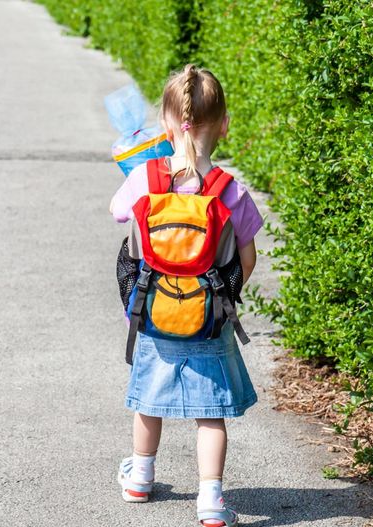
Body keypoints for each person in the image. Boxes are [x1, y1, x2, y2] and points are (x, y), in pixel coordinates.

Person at [108, 64, 263, 527]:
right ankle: (212, 500)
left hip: (153, 314)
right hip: (209, 317)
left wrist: (137, 164)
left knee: (147, 401)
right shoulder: (231, 191)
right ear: (225, 125)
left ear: (165, 123)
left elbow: (118, 213)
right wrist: (224, 298)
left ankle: (140, 476)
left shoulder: (145, 179)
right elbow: (248, 258)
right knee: (210, 415)